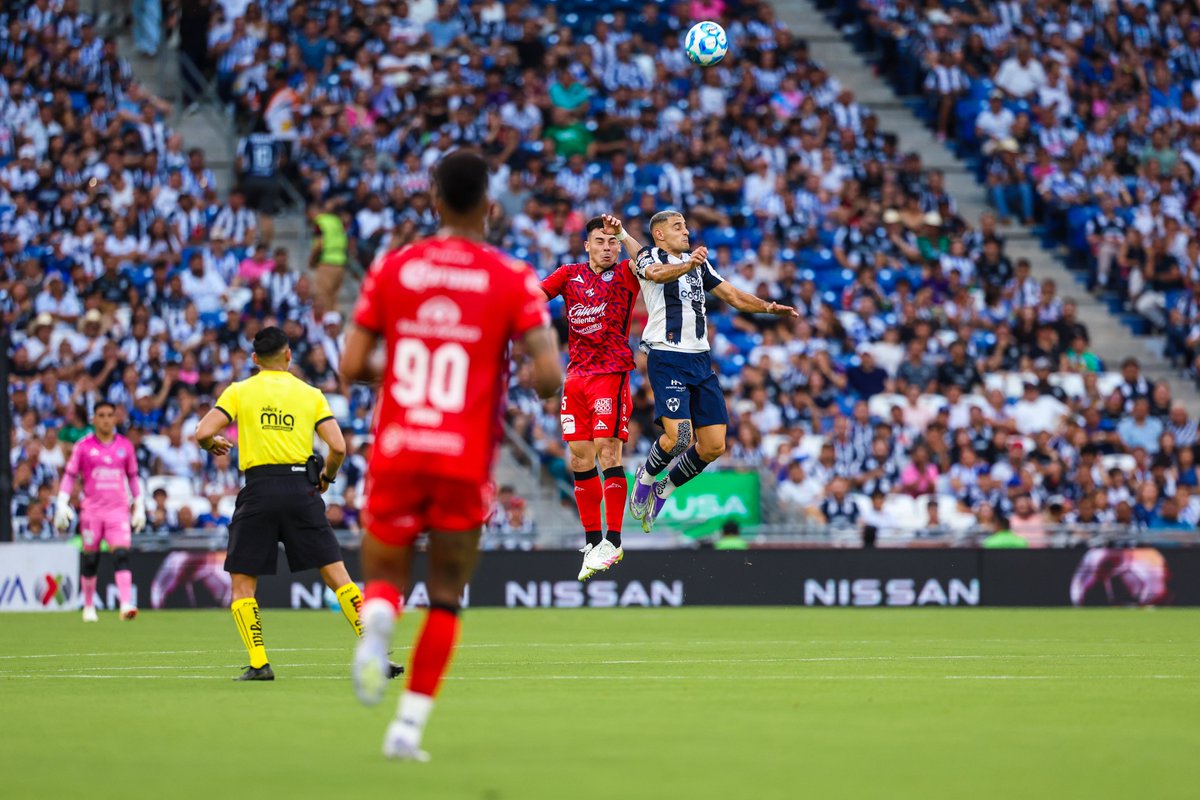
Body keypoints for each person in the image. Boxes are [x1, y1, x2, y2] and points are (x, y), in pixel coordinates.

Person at [339, 150, 561, 761]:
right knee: (444, 595)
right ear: (489, 207)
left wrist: (412, 356)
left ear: (433, 202)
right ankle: (407, 730)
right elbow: (548, 376)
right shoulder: (512, 277)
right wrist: (482, 370)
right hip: (463, 457)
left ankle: (379, 619)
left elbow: (353, 366)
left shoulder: (395, 268)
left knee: (384, 578)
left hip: (399, 446)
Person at [191, 326, 397, 682]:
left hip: (259, 489)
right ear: (289, 356)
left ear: (255, 359)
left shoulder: (240, 390)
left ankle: (260, 663)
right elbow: (339, 447)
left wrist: (212, 446)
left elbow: (202, 432)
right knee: (338, 576)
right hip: (301, 490)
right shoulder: (310, 394)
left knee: (243, 584)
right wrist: (327, 479)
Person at [628, 210, 797, 531]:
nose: (686, 231)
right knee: (679, 437)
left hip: (700, 359)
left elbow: (732, 295)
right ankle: (647, 475)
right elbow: (659, 275)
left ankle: (667, 487)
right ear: (660, 234)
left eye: (686, 226)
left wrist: (768, 307)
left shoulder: (699, 264)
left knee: (714, 445)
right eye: (678, 227)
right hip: (667, 354)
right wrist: (688, 263)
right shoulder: (651, 255)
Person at [541, 213, 643, 581]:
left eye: (611, 242)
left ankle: (613, 541)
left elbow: (646, 257)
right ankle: (593, 541)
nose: (606, 247)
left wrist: (625, 233)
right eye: (599, 241)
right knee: (579, 456)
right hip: (577, 376)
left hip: (611, 372)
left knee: (607, 448)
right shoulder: (568, 274)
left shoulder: (628, 273)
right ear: (587, 245)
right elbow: (535, 295)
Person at [53, 402, 146, 622]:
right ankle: (88, 606)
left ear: (115, 419)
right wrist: (62, 501)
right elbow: (70, 475)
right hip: (92, 511)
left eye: (109, 415)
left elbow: (132, 477)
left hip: (118, 510)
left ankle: (125, 604)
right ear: (93, 419)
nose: (105, 419)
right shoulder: (83, 446)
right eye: (101, 415)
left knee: (121, 554)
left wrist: (139, 504)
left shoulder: (125, 446)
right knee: (91, 559)